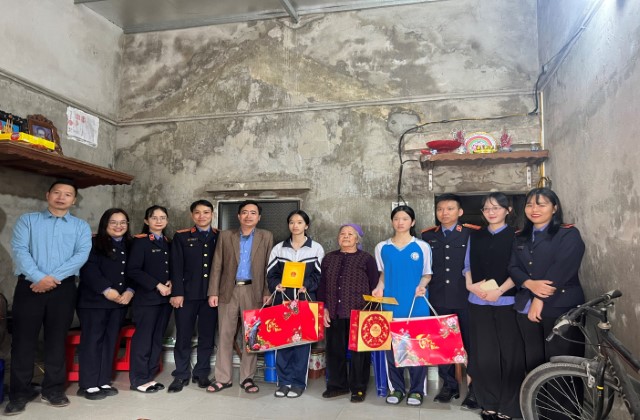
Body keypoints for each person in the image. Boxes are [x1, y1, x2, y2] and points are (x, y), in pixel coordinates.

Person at [7, 180, 92, 415]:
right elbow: (20, 250)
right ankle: (19, 394)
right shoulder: (28, 220)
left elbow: (81, 255)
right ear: (48, 195)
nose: (61, 197)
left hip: (63, 289)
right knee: (23, 342)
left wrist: (52, 279)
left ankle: (53, 390)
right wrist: (38, 277)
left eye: (68, 194)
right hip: (29, 287)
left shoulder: (80, 226)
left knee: (56, 340)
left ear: (74, 200)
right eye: (57, 192)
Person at [509, 188, 585, 370]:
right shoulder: (520, 237)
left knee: (563, 361)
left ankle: (564, 392)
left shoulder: (568, 234)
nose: (534, 209)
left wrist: (539, 298)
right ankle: (537, 391)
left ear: (554, 208)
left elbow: (561, 269)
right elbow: (513, 267)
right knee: (534, 360)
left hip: (561, 306)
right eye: (529, 205)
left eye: (541, 205)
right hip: (526, 307)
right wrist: (529, 283)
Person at [464, 193, 524, 420]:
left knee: (510, 354)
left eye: (496, 207)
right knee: (484, 355)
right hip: (478, 302)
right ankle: (488, 403)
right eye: (487, 208)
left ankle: (509, 407)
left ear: (508, 210)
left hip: (507, 302)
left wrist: (499, 291)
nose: (491, 212)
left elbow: (520, 269)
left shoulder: (517, 236)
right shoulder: (475, 236)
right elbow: (467, 265)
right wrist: (470, 285)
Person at [207, 200, 273, 394]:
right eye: (244, 212)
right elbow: (217, 264)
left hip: (254, 291)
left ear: (259, 217)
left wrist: (267, 292)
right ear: (238, 216)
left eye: (253, 213)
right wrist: (213, 291)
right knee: (225, 334)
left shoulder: (266, 236)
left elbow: (269, 266)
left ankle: (247, 378)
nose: (248, 216)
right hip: (228, 290)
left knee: (251, 336)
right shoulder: (226, 235)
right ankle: (223, 378)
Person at [421, 193, 479, 408]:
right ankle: (449, 385)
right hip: (439, 298)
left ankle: (475, 389)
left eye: (450, 209)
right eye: (440, 209)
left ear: (460, 212)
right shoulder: (427, 236)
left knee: (472, 345)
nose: (444, 213)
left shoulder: (472, 234)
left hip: (466, 299)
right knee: (443, 344)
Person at [373, 205, 432, 407]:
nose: (400, 222)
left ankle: (417, 390)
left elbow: (427, 274)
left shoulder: (422, 247)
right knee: (392, 351)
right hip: (391, 305)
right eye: (397, 218)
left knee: (417, 348)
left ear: (412, 222)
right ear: (392, 222)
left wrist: (422, 286)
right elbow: (383, 274)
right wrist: (379, 288)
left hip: (416, 304)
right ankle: (397, 388)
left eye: (405, 219)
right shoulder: (382, 247)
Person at [76, 208, 134, 400]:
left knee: (111, 341)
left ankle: (103, 380)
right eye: (113, 222)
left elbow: (135, 270)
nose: (119, 226)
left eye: (123, 222)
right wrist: (106, 290)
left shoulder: (131, 244)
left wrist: (130, 291)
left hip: (119, 302)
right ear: (105, 224)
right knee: (93, 341)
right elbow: (88, 269)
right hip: (94, 302)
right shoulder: (93, 243)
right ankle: (88, 384)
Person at [317, 224, 379, 403]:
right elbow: (322, 285)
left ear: (357, 239)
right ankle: (337, 386)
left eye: (350, 234)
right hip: (334, 312)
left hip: (359, 312)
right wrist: (323, 308)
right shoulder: (329, 258)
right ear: (338, 238)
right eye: (342, 234)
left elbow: (375, 286)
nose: (346, 236)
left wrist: (371, 312)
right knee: (334, 351)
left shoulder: (366, 259)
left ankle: (358, 388)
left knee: (360, 354)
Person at [266, 210, 325, 398]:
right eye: (292, 222)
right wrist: (276, 285)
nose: (295, 225)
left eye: (299, 222)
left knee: (302, 343)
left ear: (306, 225)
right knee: (282, 342)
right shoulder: (279, 249)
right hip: (282, 300)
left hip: (304, 300)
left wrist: (306, 285)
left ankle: (298, 383)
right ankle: (284, 382)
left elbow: (319, 275)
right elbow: (271, 274)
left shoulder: (316, 248)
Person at [167, 200, 219, 393]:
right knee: (183, 336)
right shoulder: (181, 237)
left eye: (206, 212)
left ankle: (202, 373)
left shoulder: (219, 236)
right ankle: (181, 374)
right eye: (197, 212)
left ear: (212, 214)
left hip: (210, 296)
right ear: (192, 215)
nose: (202, 216)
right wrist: (177, 293)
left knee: (207, 336)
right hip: (186, 295)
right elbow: (176, 266)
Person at [126, 205, 173, 393]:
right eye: (154, 217)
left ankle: (149, 376)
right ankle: (138, 379)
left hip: (165, 300)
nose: (159, 221)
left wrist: (171, 281)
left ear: (167, 220)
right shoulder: (141, 242)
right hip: (147, 298)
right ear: (147, 221)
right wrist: (157, 285)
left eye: (162, 217)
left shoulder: (168, 242)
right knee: (144, 339)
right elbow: (133, 270)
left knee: (156, 339)